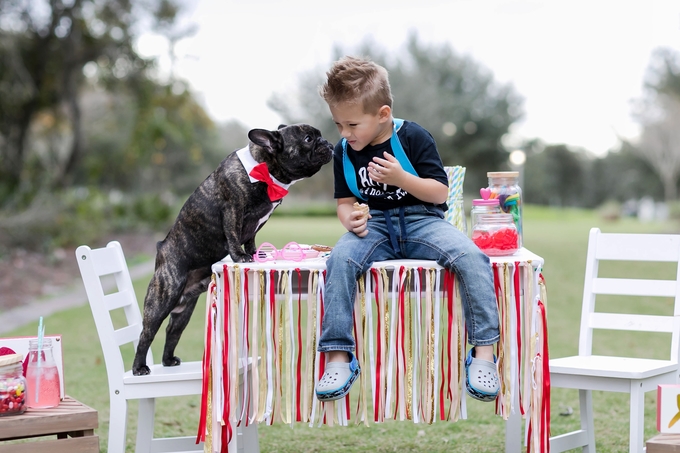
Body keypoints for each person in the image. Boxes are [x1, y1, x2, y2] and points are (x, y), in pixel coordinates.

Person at [314, 55, 500, 404]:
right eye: (338, 124)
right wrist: (348, 219)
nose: (345, 133)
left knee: (472, 257)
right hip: (377, 227)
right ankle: (338, 356)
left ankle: (484, 354)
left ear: (382, 114)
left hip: (423, 222)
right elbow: (343, 201)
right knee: (340, 260)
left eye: (352, 125)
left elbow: (440, 193)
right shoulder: (344, 152)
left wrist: (401, 178)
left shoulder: (413, 136)